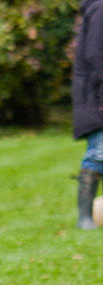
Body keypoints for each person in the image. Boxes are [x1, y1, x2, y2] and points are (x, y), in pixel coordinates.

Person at [73, 0, 103, 230]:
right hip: (96, 96)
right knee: (98, 153)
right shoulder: (101, 8)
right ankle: (84, 218)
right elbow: (95, 56)